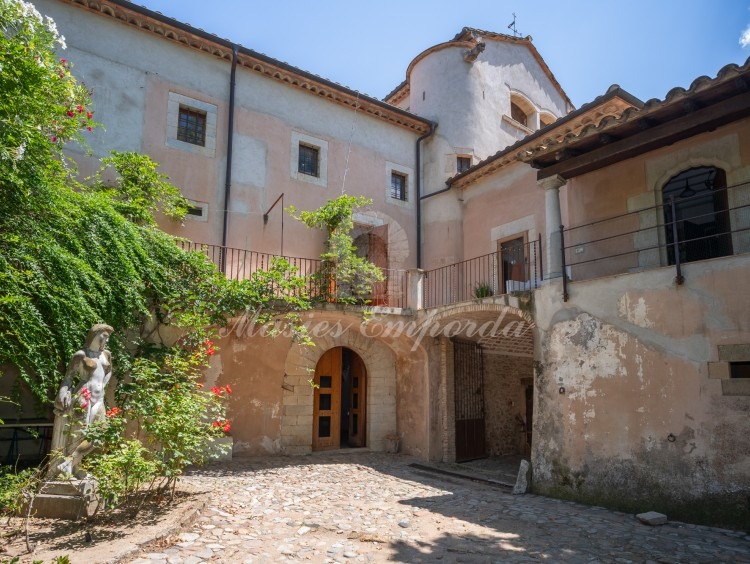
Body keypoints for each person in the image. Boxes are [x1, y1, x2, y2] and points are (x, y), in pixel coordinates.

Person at [47, 323, 114, 479]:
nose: (106, 340)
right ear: (95, 336)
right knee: (78, 433)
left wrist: (103, 385)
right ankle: (73, 468)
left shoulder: (106, 355)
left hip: (99, 399)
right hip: (84, 395)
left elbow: (109, 370)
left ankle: (69, 463)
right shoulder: (81, 355)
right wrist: (63, 391)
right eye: (103, 336)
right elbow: (68, 377)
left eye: (108, 337)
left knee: (99, 433)